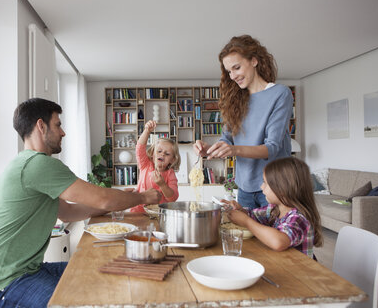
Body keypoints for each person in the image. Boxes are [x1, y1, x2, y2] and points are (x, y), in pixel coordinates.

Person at [0, 98, 161, 308]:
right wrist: (142, 197)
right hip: (4, 286)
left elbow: (68, 213)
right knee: (77, 301)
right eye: (58, 125)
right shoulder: (38, 165)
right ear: (41, 126)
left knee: (103, 271)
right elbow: (103, 198)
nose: (63, 132)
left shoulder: (26, 164)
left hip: (27, 272)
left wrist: (118, 202)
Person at [193, 34, 293, 209]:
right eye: (229, 71)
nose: (232, 76)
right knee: (246, 236)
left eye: (236, 68)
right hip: (245, 187)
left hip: (274, 186)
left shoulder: (280, 94)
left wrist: (233, 149)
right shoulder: (236, 100)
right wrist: (209, 149)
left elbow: (272, 147)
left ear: (254, 61)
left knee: (273, 236)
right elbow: (227, 139)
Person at [223, 157, 322, 259]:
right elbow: (253, 214)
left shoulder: (298, 218)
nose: (261, 187)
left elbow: (278, 242)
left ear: (282, 188)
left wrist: (247, 222)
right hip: (282, 264)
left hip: (300, 271)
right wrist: (240, 210)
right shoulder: (274, 209)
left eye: (265, 183)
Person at [130, 120, 180, 213]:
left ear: (172, 159)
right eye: (159, 151)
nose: (162, 154)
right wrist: (147, 131)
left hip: (158, 214)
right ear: (153, 153)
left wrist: (162, 184)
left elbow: (173, 198)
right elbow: (139, 148)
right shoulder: (145, 164)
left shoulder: (170, 174)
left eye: (167, 153)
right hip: (138, 211)